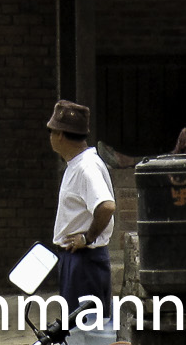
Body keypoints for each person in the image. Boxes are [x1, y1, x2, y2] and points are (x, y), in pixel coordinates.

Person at [47, 100, 117, 345]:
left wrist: (87, 237)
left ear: (61, 136)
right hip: (75, 260)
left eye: (52, 131)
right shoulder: (76, 165)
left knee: (89, 330)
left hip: (85, 261)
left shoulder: (86, 167)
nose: (51, 137)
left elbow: (106, 206)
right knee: (75, 329)